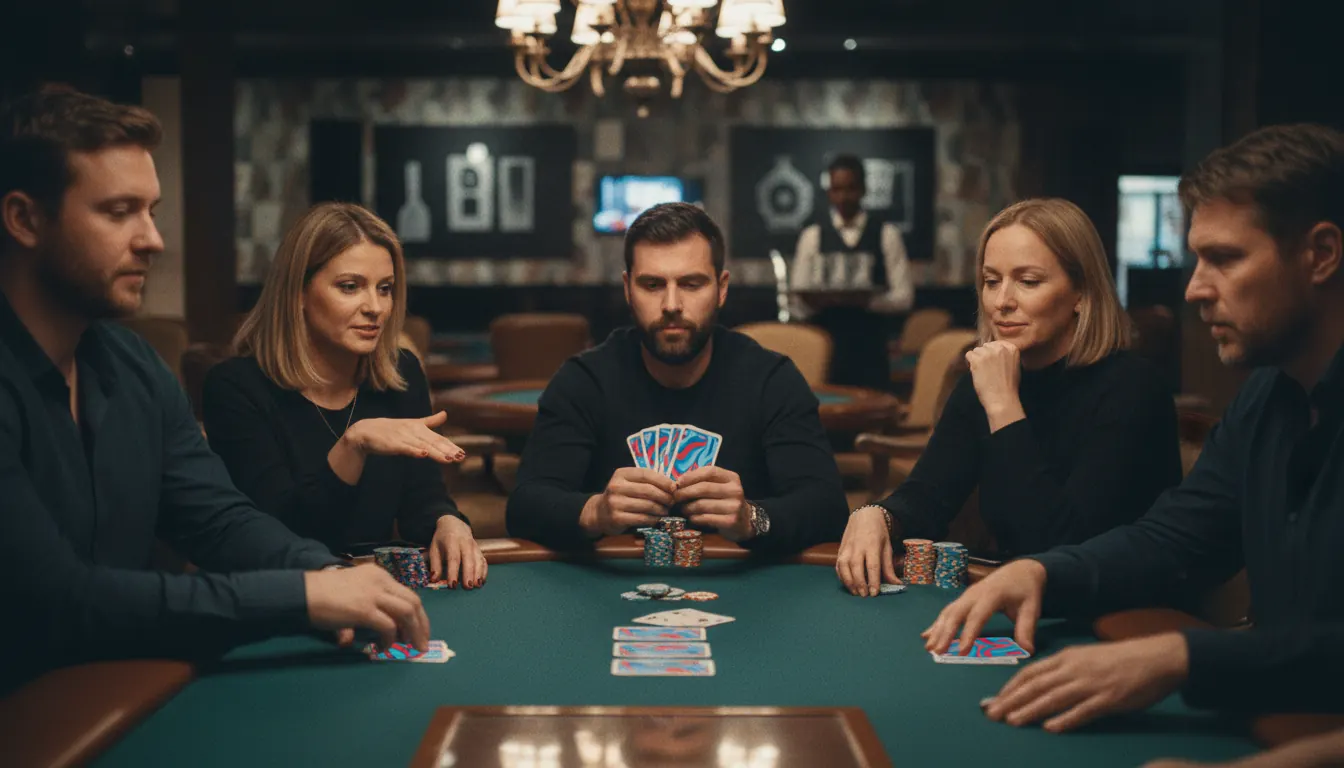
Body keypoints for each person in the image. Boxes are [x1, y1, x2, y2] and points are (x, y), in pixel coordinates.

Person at [0, 88, 430, 693]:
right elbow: (57, 601)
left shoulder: (136, 368)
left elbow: (220, 521)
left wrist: (328, 571)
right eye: (120, 211)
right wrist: (300, 594)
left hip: (122, 691)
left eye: (152, 211)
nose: (153, 238)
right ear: (24, 219)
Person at [924, 123, 1344, 729]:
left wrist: (1182, 656)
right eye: (1197, 258)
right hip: (1282, 719)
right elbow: (1174, 540)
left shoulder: (1133, 387)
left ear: (1321, 254)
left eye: (1225, 258)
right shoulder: (1266, 399)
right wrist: (1041, 571)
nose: (1195, 288)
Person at [836, 198, 1181, 595]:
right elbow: (929, 494)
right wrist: (877, 514)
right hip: (1016, 598)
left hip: (1114, 616)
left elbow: (1061, 546)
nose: (1002, 302)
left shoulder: (1132, 390)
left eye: (1028, 281)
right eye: (991, 280)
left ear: (1082, 293)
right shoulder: (982, 379)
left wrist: (1003, 407)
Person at [507, 202, 848, 553]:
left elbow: (827, 508)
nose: (671, 304)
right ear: (628, 289)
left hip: (744, 587)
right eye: (652, 284)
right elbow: (525, 505)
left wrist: (753, 517)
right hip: (611, 588)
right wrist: (595, 511)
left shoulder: (771, 379)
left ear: (722, 288)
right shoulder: (584, 380)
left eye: (691, 283)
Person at [202, 202, 487, 588]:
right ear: (298, 293)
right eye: (350, 287)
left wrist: (447, 521)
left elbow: (422, 496)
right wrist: (353, 445)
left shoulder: (401, 373)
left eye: (384, 289)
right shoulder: (235, 389)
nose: (374, 308)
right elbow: (280, 534)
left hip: (377, 591)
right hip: (287, 596)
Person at [790, 153, 915, 390]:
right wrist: (820, 300)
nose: (844, 197)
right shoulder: (812, 236)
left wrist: (866, 301)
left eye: (850, 188)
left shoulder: (887, 235)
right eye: (837, 189)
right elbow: (797, 302)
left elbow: (904, 298)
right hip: (824, 349)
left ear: (863, 189)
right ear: (829, 192)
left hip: (872, 348)